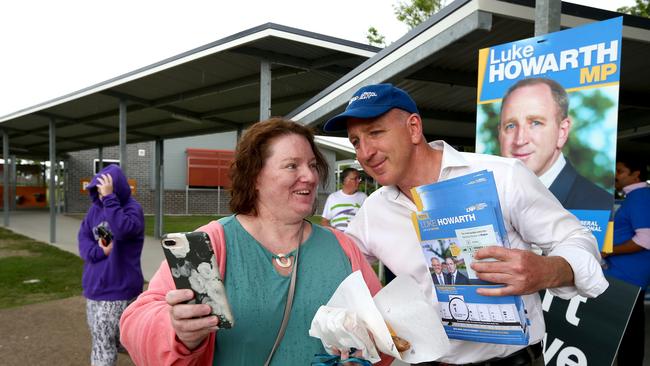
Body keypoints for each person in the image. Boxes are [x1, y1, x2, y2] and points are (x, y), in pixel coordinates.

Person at [323, 83, 608, 365]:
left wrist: (548, 270)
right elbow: (336, 260)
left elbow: (576, 237)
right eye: (356, 141)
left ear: (413, 128)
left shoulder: (502, 176)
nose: (365, 153)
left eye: (375, 133)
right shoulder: (375, 209)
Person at [119, 118, 390, 366]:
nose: (309, 176)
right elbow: (135, 323)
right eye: (292, 165)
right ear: (255, 176)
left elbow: (385, 330)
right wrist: (176, 330)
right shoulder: (209, 245)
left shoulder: (341, 247)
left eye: (312, 165)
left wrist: (362, 355)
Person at [498, 77, 612, 210]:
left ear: (562, 132)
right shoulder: (486, 201)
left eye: (536, 123)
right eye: (510, 126)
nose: (520, 140)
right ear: (500, 134)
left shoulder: (600, 206)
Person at [78, 164, 144, 366]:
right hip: (95, 287)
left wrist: (109, 199)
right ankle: (125, 344)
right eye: (98, 190)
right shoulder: (93, 211)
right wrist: (99, 251)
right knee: (104, 337)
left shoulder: (133, 209)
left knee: (103, 344)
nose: (100, 194)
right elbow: (84, 239)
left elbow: (123, 230)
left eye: (105, 189)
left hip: (119, 287)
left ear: (116, 188)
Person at [602, 156, 650, 365]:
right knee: (626, 332)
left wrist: (607, 251)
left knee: (629, 334)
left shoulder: (640, 196)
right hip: (625, 274)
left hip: (629, 276)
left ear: (636, 174)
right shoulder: (635, 196)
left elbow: (645, 240)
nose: (615, 176)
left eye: (620, 171)